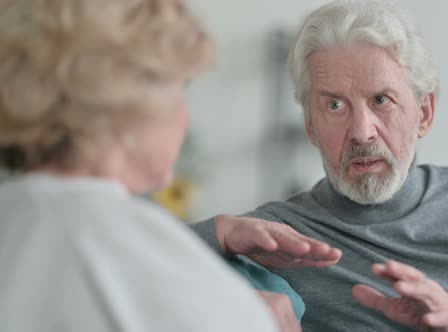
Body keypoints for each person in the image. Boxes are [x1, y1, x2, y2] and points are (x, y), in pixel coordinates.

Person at [191, 0, 448, 331]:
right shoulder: (277, 236)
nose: (361, 132)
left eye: (381, 100)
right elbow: (135, 270)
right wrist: (221, 231)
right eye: (334, 106)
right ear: (310, 126)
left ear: (424, 112)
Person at [0, 0, 299, 331]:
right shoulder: (129, 254)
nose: (185, 116)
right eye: (181, 90)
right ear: (130, 104)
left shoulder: (18, 217)